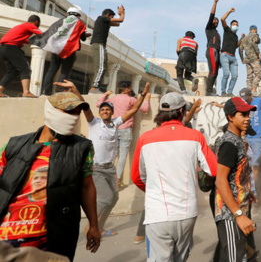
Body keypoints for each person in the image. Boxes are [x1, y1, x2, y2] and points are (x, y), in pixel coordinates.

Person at [0, 89, 100, 260]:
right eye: (68, 111)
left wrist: (94, 225)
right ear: (50, 111)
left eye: (77, 112)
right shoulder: (14, 145)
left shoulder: (82, 148)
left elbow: (87, 186)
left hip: (54, 237)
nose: (74, 117)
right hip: (9, 235)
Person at [131, 92, 217, 261]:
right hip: (187, 213)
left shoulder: (145, 139)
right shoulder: (195, 137)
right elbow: (213, 170)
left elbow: (137, 177)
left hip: (157, 214)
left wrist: (153, 188)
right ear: (181, 112)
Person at [58, 80, 148, 237]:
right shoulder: (94, 123)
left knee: (113, 198)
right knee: (105, 199)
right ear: (100, 113)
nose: (105, 111)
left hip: (109, 168)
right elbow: (85, 106)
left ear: (112, 112)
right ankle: (91, 227)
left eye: (108, 110)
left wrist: (144, 94)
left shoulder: (115, 123)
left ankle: (100, 227)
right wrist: (75, 90)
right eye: (103, 110)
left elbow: (134, 109)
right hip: (96, 168)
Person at [213, 97, 258, 262]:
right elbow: (220, 180)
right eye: (243, 115)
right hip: (230, 213)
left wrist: (247, 192)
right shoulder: (229, 144)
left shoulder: (238, 140)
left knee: (242, 254)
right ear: (230, 117)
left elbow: (237, 174)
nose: (247, 118)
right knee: (235, 258)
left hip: (239, 206)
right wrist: (238, 214)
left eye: (248, 114)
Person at [95, 81, 150, 189]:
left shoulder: (113, 99)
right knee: (122, 156)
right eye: (130, 87)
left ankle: (107, 179)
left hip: (113, 129)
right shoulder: (131, 99)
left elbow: (98, 104)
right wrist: (147, 98)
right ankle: (117, 181)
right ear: (127, 89)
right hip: (125, 130)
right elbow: (145, 110)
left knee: (112, 155)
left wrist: (106, 94)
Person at [38, 6, 90, 95]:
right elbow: (83, 38)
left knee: (52, 70)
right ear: (78, 15)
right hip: (69, 50)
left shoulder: (60, 21)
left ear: (68, 14)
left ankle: (45, 91)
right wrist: (86, 35)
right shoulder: (79, 24)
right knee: (64, 72)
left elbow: (52, 32)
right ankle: (59, 91)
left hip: (56, 49)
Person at [0, 15, 42, 97]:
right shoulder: (30, 25)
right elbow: (42, 34)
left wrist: (32, 41)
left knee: (12, 72)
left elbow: (22, 39)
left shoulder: (20, 26)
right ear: (36, 22)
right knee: (25, 69)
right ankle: (26, 92)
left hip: (4, 48)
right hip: (12, 48)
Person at [239, 88, 261, 196]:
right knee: (245, 162)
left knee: (255, 163)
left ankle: (253, 188)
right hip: (247, 137)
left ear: (251, 95)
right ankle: (248, 187)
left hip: (258, 137)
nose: (245, 100)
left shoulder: (259, 101)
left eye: (246, 98)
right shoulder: (243, 104)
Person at [89, 6, 125, 93]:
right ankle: (94, 87)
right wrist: (122, 13)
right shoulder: (101, 18)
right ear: (108, 15)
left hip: (99, 45)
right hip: (99, 44)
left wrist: (119, 15)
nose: (112, 19)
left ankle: (96, 87)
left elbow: (117, 24)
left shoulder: (104, 22)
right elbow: (120, 20)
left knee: (103, 67)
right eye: (112, 17)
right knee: (101, 67)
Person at [220, 8, 241, 97]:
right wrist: (229, 11)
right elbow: (222, 19)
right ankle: (223, 91)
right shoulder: (227, 30)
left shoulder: (236, 36)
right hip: (225, 55)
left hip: (233, 57)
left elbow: (236, 46)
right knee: (226, 74)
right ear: (231, 25)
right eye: (234, 24)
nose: (235, 26)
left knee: (235, 76)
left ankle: (229, 92)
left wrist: (241, 39)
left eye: (236, 25)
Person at [206, 0, 221, 96]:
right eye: (214, 20)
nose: (216, 21)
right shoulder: (209, 28)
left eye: (217, 20)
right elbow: (212, 14)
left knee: (216, 72)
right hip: (211, 49)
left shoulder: (217, 33)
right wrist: (215, 2)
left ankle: (211, 90)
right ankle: (209, 91)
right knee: (212, 71)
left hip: (217, 51)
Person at [239, 25, 261, 93]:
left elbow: (240, 49)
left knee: (249, 76)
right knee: (258, 73)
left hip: (247, 59)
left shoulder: (244, 38)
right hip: (254, 58)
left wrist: (242, 58)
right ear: (256, 30)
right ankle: (254, 89)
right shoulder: (255, 35)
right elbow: (254, 44)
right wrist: (259, 54)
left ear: (249, 30)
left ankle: (249, 91)